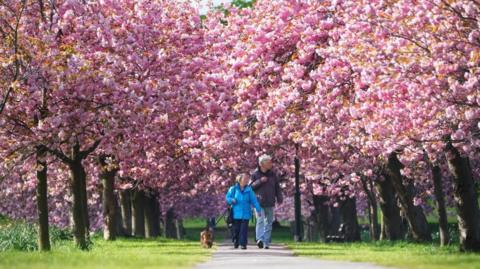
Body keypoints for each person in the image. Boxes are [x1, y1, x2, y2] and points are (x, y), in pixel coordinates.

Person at [250, 154, 283, 249]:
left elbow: (277, 187)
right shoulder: (255, 174)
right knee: (260, 221)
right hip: (259, 202)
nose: (270, 164)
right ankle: (260, 239)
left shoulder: (273, 174)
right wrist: (260, 181)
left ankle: (266, 242)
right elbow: (251, 187)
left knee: (269, 222)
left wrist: (279, 197)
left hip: (270, 201)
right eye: (268, 162)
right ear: (262, 164)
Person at [225, 173, 262, 250]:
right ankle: (236, 241)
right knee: (236, 230)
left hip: (246, 213)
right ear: (240, 180)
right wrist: (232, 200)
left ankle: (243, 244)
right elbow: (227, 197)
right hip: (236, 214)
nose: (247, 180)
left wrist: (258, 210)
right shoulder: (233, 189)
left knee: (244, 230)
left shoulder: (249, 190)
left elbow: (254, 201)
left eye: (247, 179)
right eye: (245, 179)